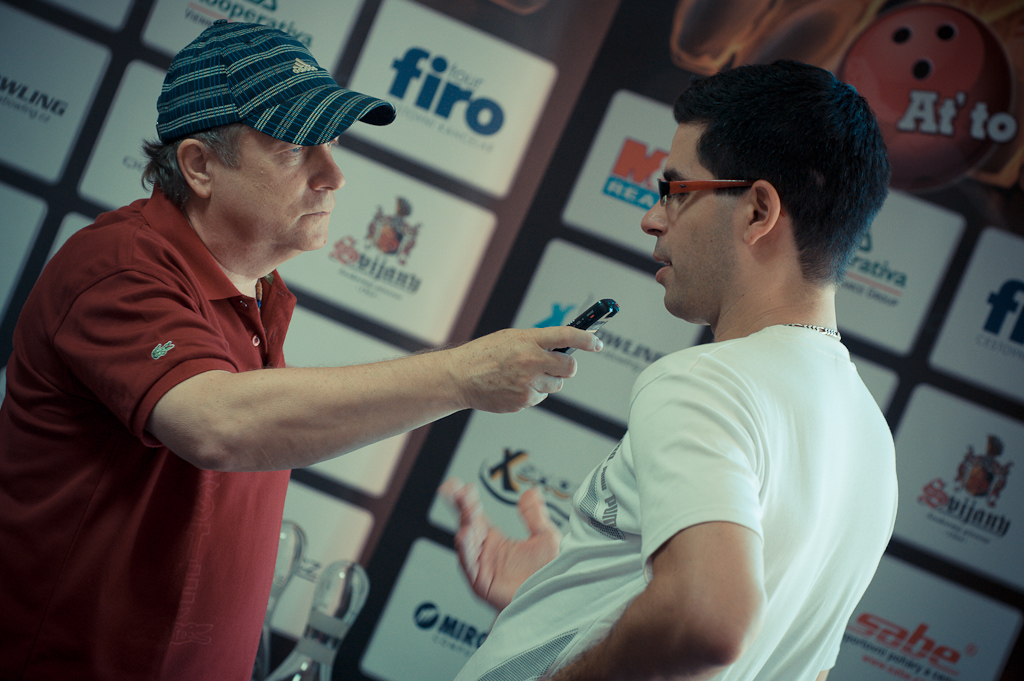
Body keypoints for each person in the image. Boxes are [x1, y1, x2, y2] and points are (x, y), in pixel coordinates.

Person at [0, 21, 602, 681]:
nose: (335, 174)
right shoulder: (118, 265)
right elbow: (217, 424)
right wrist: (464, 375)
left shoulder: (259, 292)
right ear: (199, 166)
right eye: (294, 148)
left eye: (332, 142)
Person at [445, 60, 898, 681]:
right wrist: (564, 596)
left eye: (677, 192)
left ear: (758, 211)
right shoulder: (872, 441)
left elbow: (707, 620)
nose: (652, 218)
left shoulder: (707, 383)